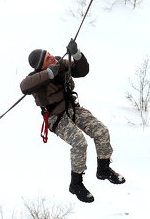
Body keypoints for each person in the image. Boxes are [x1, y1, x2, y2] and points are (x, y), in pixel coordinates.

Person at [20, 39, 125, 203]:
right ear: (41, 66)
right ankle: (76, 184)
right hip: (56, 117)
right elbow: (24, 86)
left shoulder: (60, 64)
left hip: (72, 108)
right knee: (79, 143)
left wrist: (76, 54)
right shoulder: (36, 79)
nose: (52, 58)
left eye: (50, 54)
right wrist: (49, 74)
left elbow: (82, 71)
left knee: (101, 131)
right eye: (48, 59)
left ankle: (103, 169)